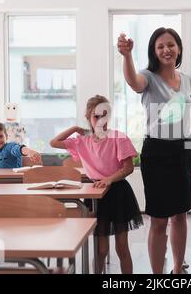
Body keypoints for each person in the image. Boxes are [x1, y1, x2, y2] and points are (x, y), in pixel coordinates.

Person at [117, 27, 191, 274]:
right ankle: (157, 276)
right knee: (159, 219)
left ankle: (177, 269)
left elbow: (186, 119)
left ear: (179, 48)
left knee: (181, 215)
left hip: (183, 148)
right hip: (157, 151)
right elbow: (133, 82)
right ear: (154, 51)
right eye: (160, 46)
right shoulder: (147, 77)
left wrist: (190, 150)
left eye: (170, 45)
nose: (166, 50)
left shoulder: (188, 81)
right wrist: (127, 55)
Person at [50, 95, 143, 274]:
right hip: (96, 195)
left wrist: (109, 179)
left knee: (122, 248)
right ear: (88, 118)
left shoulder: (119, 138)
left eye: (105, 115)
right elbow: (54, 142)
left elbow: (128, 168)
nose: (101, 120)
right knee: (100, 250)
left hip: (118, 193)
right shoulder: (81, 140)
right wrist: (75, 128)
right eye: (96, 116)